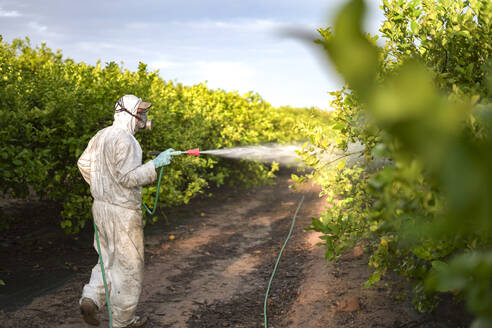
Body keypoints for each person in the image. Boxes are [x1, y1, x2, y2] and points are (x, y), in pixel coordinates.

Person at [77, 95, 174, 327]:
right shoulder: (127, 140)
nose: (143, 118)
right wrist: (155, 164)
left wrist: (102, 186)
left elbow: (83, 163)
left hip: (101, 208)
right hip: (123, 213)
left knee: (107, 259)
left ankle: (91, 297)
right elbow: (128, 178)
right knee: (129, 267)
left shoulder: (101, 135)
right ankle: (123, 321)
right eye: (140, 113)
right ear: (128, 113)